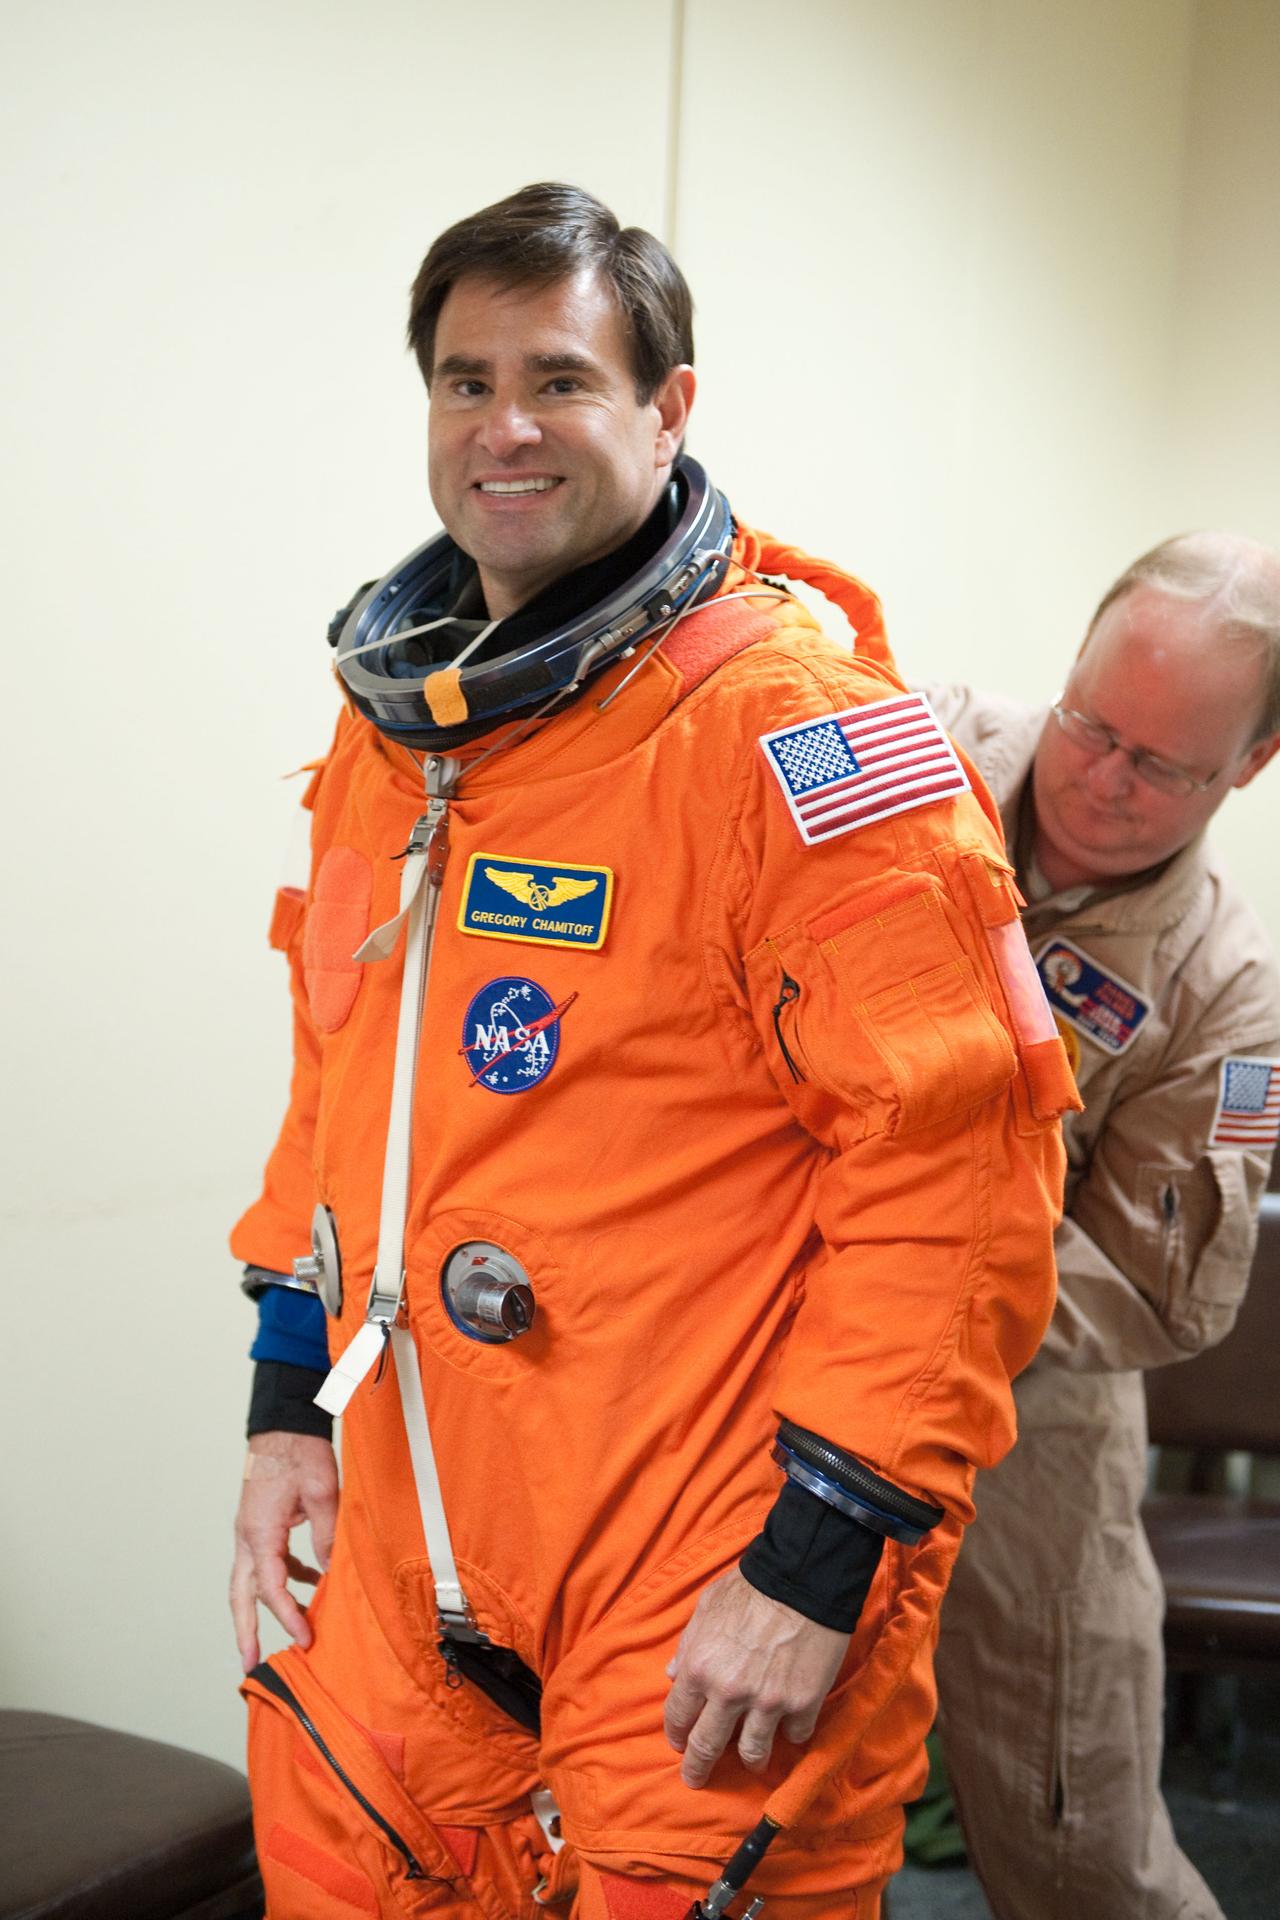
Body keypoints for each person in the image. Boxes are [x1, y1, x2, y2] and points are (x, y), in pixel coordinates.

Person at [227, 182, 1073, 1920]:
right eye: (466, 383)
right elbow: (342, 1082)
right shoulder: (402, 729)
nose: (505, 428)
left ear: (667, 405)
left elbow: (960, 1177)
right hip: (410, 1523)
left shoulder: (793, 733)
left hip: (702, 1557)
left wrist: (819, 1559)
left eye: (560, 379)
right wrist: (285, 1404)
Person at [927, 532, 1280, 1920]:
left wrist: (910, 1294)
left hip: (1027, 1410)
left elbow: (1157, 1284)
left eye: (1162, 765)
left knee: (1079, 1835)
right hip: (748, 1347)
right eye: (1091, 724)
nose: (1102, 779)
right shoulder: (918, 754)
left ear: (1251, 764)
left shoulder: (1233, 999)